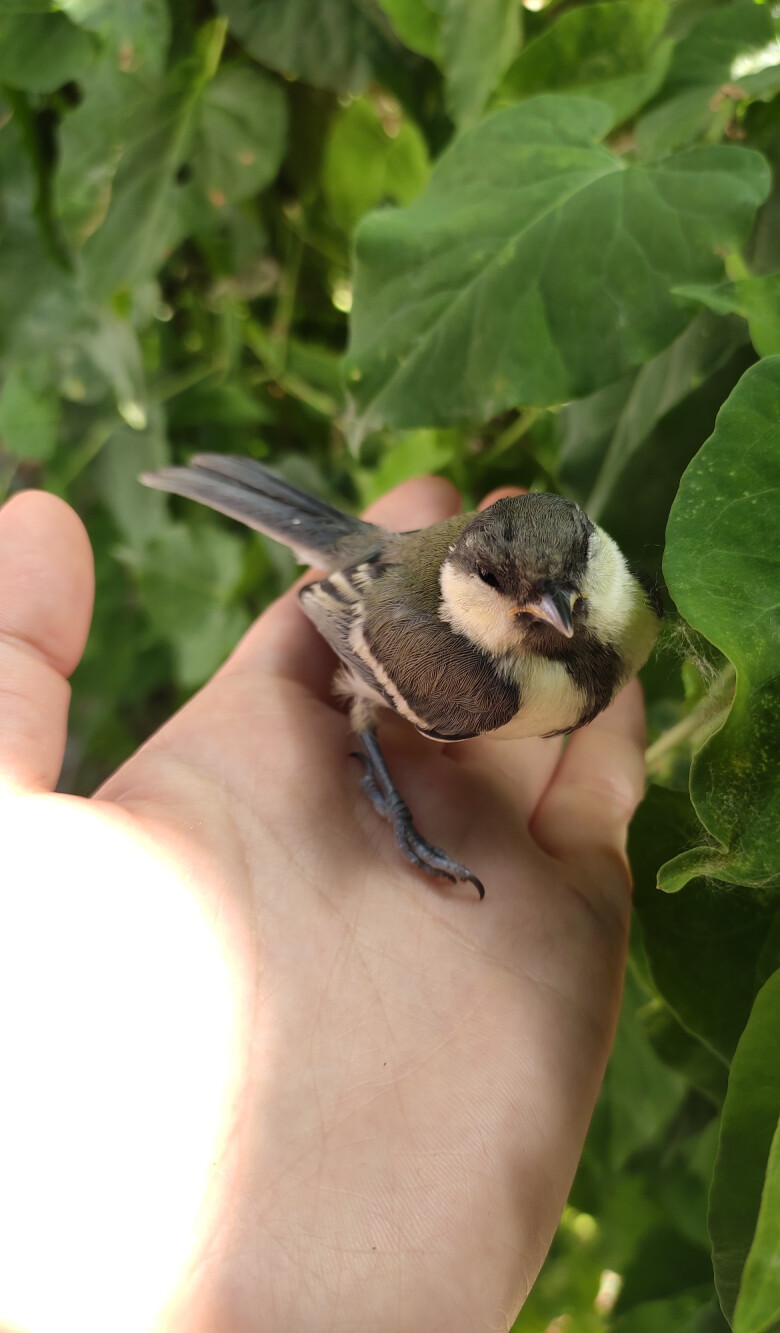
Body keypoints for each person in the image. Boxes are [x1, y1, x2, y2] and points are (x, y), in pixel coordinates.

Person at [0, 475, 646, 1333]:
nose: (552, 616)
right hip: (376, 588)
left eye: (568, 593)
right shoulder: (463, 674)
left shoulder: (627, 613)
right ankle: (385, 798)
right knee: (382, 724)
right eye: (510, 597)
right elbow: (344, 615)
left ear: (600, 557)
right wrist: (400, 815)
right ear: (465, 584)